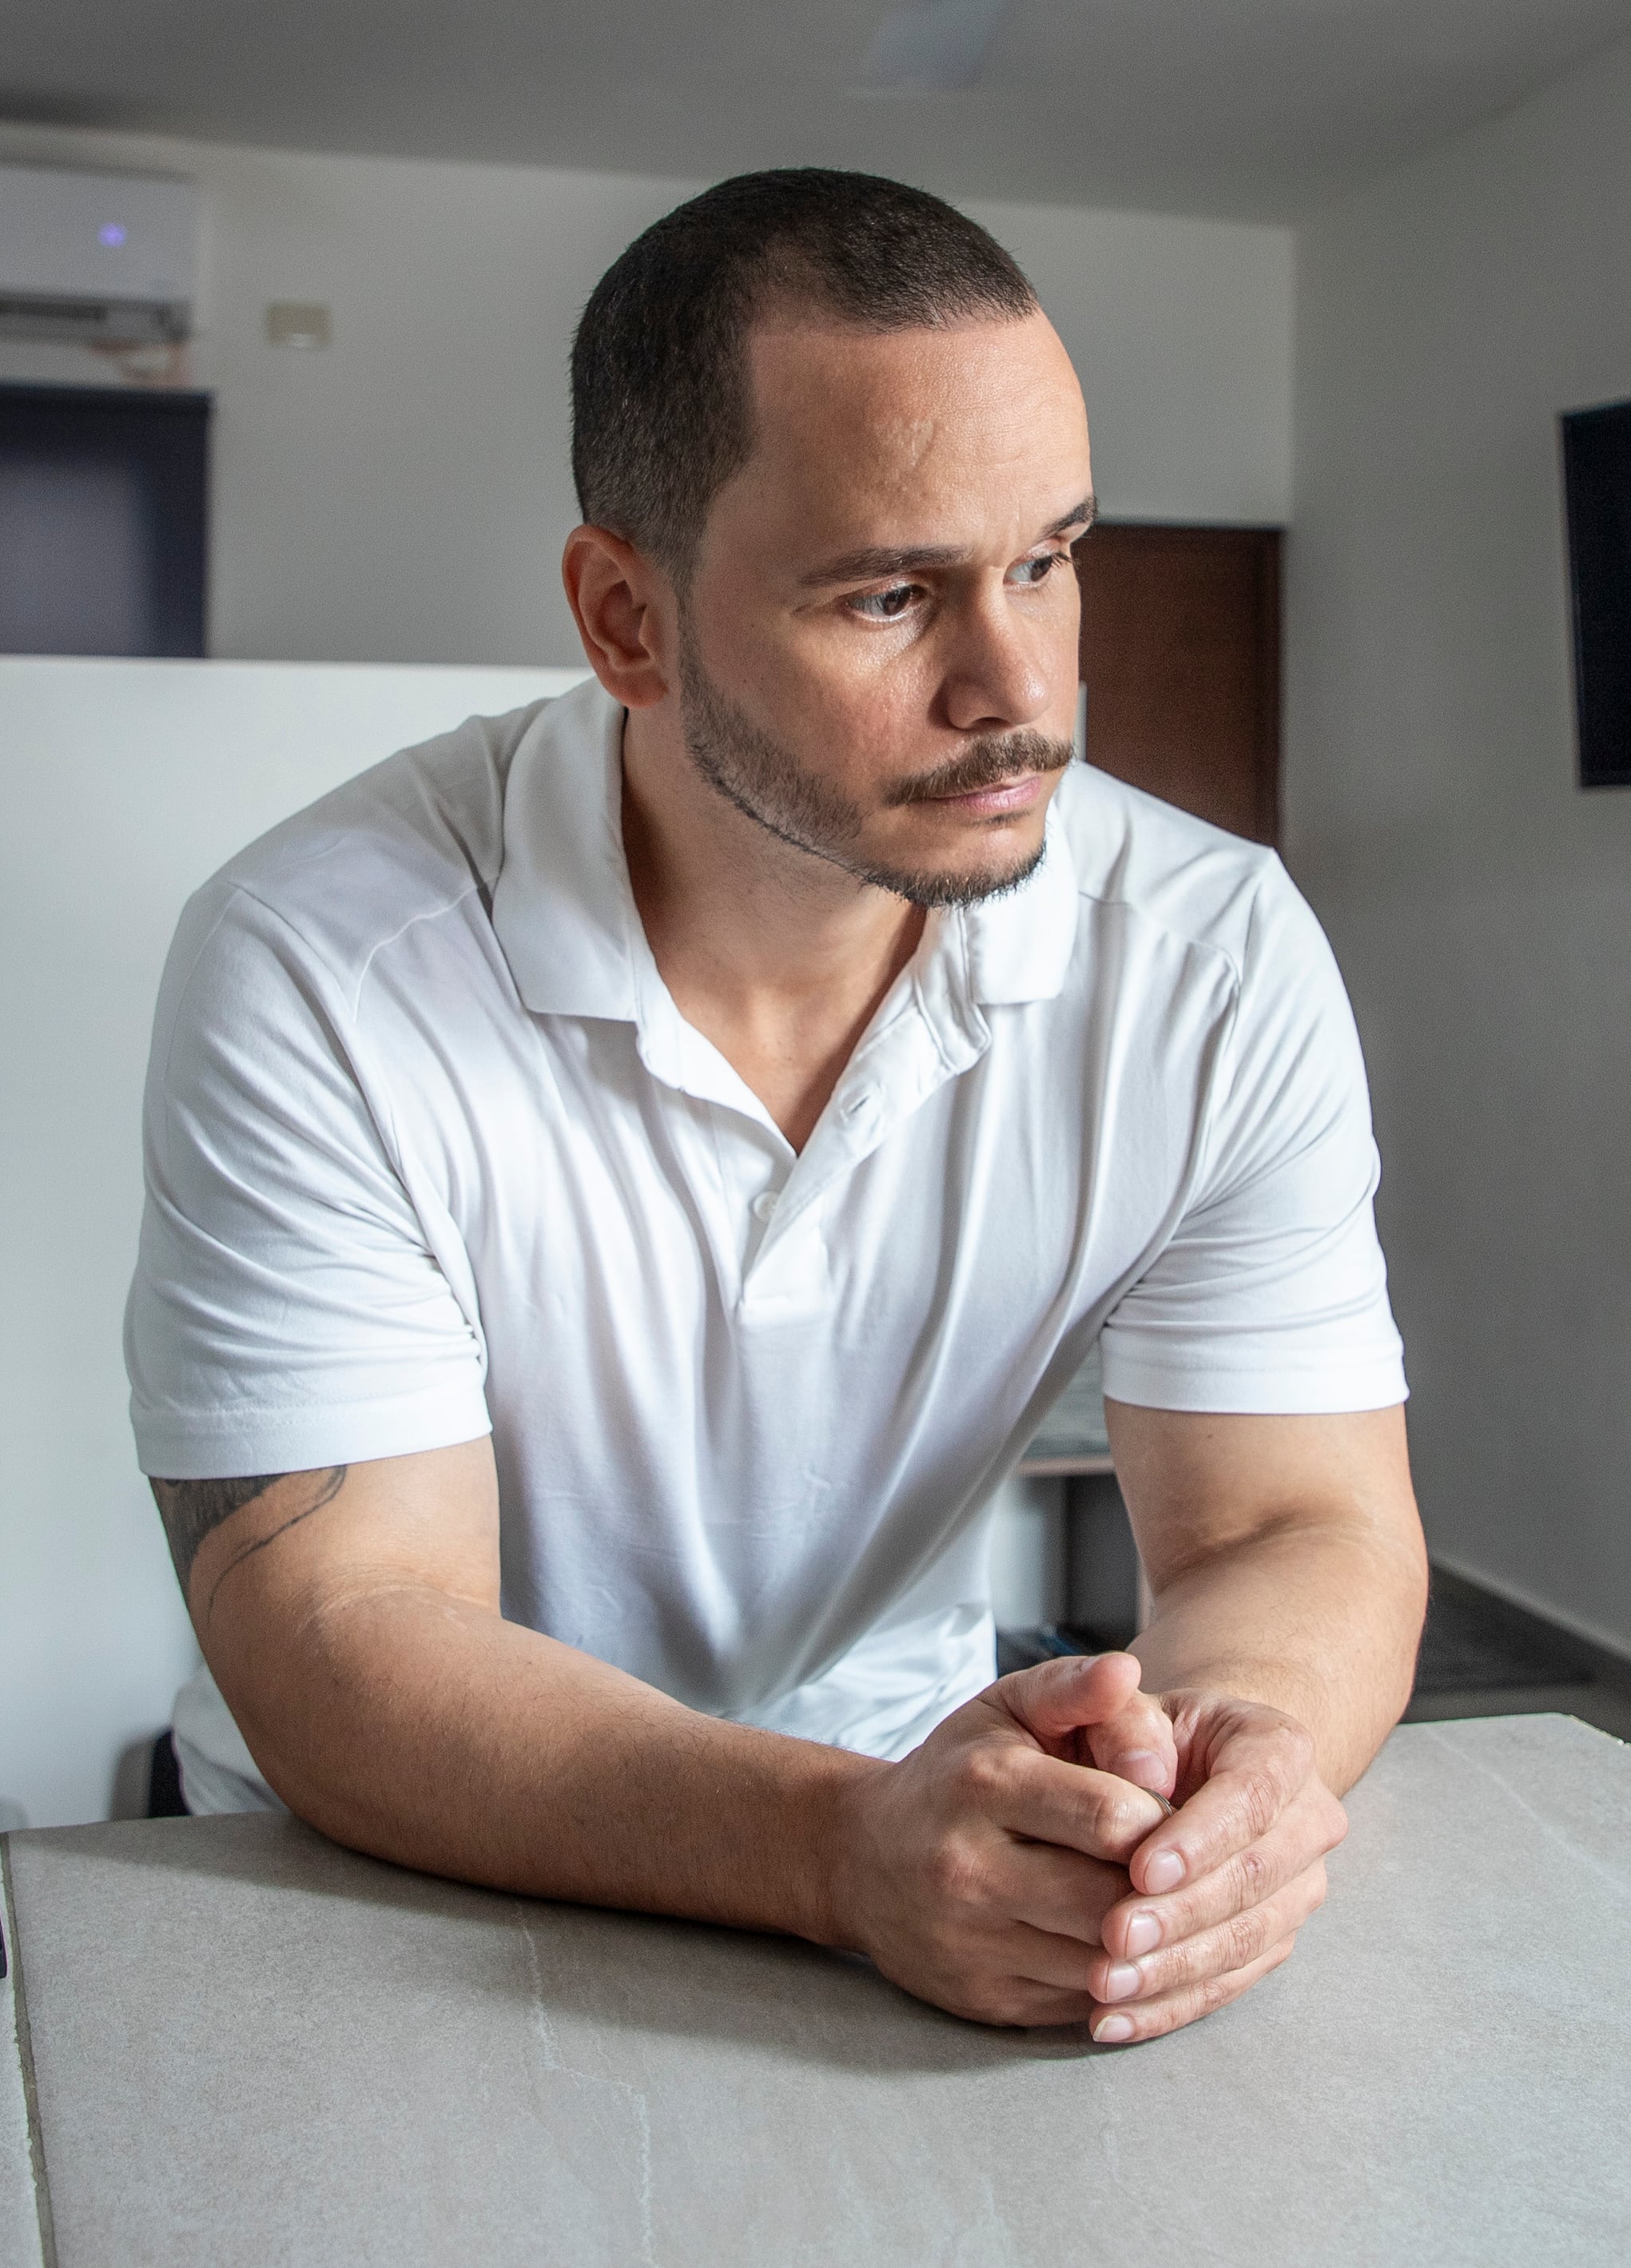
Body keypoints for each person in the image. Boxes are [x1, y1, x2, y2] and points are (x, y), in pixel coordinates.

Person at [126, 167, 1424, 2046]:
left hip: (937, 1863)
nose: (1018, 687)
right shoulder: (323, 963)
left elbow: (1293, 1524)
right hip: (391, 1893)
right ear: (626, 616)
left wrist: (1212, 1780)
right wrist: (838, 1847)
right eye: (892, 592)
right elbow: (341, 1626)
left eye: (1049, 559)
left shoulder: (1210, 956)